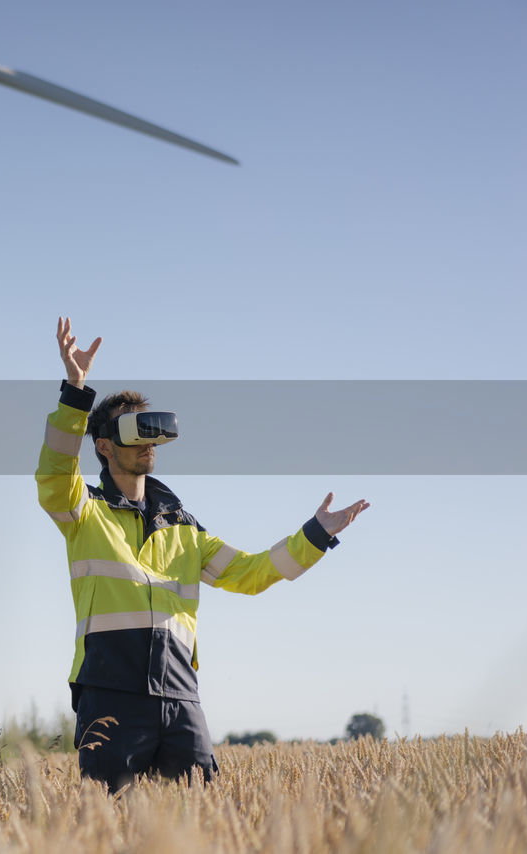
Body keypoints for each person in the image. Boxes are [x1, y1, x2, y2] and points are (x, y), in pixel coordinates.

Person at [37, 317, 369, 790]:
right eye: (135, 433)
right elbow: (53, 475)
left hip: (179, 695)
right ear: (105, 446)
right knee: (107, 824)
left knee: (203, 818)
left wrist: (316, 534)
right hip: (110, 695)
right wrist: (75, 392)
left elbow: (252, 575)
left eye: (152, 432)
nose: (149, 442)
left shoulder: (185, 528)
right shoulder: (84, 513)